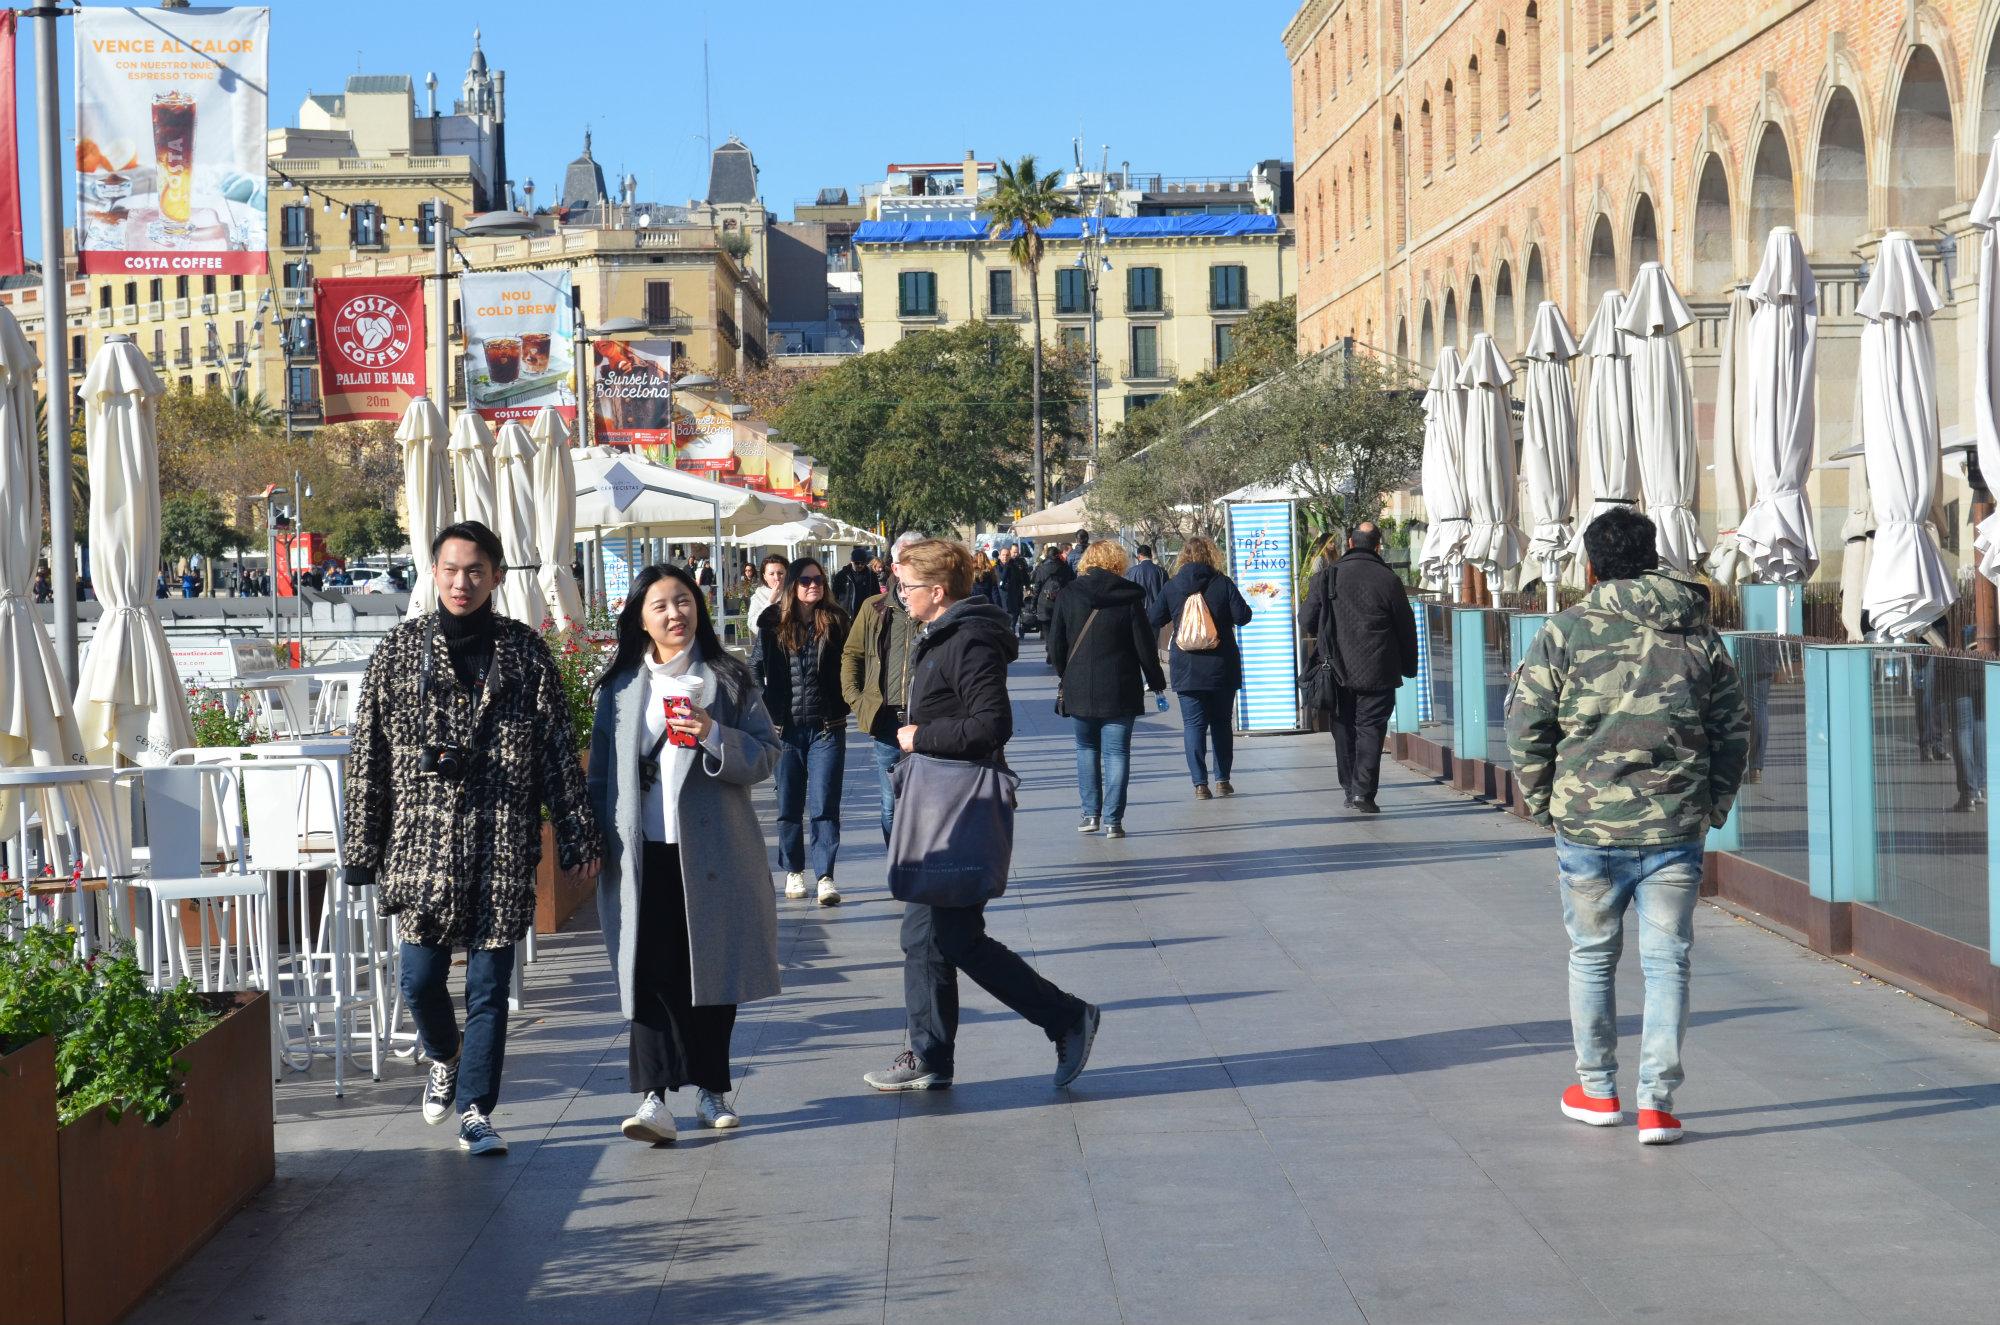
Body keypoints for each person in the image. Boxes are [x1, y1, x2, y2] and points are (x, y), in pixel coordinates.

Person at [343, 520, 601, 1157]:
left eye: (476, 571)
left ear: (496, 576)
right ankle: (442, 1053)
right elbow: (367, 755)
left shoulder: (524, 655)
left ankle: (477, 1111)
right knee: (419, 979)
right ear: (433, 573)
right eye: (452, 570)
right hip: (421, 847)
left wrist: (575, 835)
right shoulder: (399, 653)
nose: (463, 583)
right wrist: (360, 845)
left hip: (502, 843)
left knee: (490, 988)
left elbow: (559, 756)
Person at [1507, 507, 1750, 1147]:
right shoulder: (1697, 634)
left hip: (1587, 826)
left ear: (1591, 565)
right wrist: (1713, 806)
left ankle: (1595, 1090)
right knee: (1668, 961)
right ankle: (1657, 1106)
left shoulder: (1563, 631)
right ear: (1652, 558)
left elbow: (1527, 726)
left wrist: (1544, 803)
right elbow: (1734, 729)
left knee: (1592, 957)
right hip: (1675, 826)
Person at [862, 539, 1101, 1093]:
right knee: (924, 937)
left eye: (908, 587)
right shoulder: (944, 634)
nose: (901, 595)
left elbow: (991, 724)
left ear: (937, 592)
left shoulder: (967, 640)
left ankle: (1065, 1016)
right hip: (939, 802)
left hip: (957, 806)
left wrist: (920, 735)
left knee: (956, 937)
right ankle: (930, 1055)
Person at [589, 563, 783, 1143]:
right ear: (641, 619)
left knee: (711, 970)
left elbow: (769, 754)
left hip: (713, 851)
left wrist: (712, 734)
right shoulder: (621, 686)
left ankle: (711, 1087)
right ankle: (651, 1099)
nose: (675, 614)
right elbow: (602, 775)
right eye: (660, 606)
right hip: (640, 854)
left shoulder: (728, 678)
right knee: (648, 971)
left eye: (684, 601)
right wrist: (595, 839)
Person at [1046, 541, 1167, 838]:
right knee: (1117, 753)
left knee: (1086, 749)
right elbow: (1144, 645)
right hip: (1120, 686)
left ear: (1086, 561)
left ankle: (1090, 815)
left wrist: (1066, 674)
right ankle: (1114, 820)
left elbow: (1055, 644)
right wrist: (1157, 681)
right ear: (1118, 563)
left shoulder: (1069, 594)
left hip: (1079, 686)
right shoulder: (1128, 597)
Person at [1299, 522, 1419, 814]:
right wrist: (1409, 666)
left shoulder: (1328, 577)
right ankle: (1363, 793)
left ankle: (1349, 788)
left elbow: (1306, 620)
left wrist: (1331, 630)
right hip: (1378, 669)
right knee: (1371, 730)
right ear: (1378, 546)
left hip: (1335, 669)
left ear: (1350, 544)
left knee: (1342, 728)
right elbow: (1406, 627)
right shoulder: (1389, 580)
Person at [752, 557, 849, 906]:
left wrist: (851, 699)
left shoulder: (837, 622)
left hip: (827, 727)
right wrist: (763, 709)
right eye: (806, 580)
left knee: (824, 804)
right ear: (793, 584)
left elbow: (853, 664)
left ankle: (825, 877)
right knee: (788, 804)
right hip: (785, 730)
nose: (814, 585)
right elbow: (755, 667)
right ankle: (794, 870)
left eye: (819, 580)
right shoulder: (772, 623)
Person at [1148, 535, 1253, 800]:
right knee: (1221, 724)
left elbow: (1154, 617)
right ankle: (1223, 780)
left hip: (1186, 667)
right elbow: (1243, 617)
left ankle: (1199, 784)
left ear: (1183, 556)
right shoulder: (1223, 583)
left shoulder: (1173, 587)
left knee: (1193, 726)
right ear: (1211, 555)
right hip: (1221, 666)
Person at [842, 531, 926, 843]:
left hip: (927, 717)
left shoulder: (935, 606)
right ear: (894, 569)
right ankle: (897, 863)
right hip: (887, 715)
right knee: (891, 800)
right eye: (910, 560)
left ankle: (921, 860)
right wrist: (855, 697)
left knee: (926, 797)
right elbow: (852, 653)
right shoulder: (874, 608)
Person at [1027, 543, 1073, 637]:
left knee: (1047, 630)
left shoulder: (1041, 568)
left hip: (1044, 602)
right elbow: (1071, 584)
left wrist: (1033, 603)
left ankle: (1049, 647)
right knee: (1059, 631)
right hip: (1061, 602)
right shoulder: (1065, 568)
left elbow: (1037, 588)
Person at [745, 553, 787, 640]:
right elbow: (754, 627)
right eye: (771, 574)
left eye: (780, 573)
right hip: (771, 646)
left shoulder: (796, 592)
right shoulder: (758, 596)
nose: (777, 577)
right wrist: (771, 601)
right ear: (765, 577)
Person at [833, 547, 880, 616]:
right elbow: (834, 596)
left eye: (863, 563)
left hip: (865, 613)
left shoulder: (871, 575)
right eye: (857, 563)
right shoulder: (841, 575)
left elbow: (876, 594)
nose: (860, 565)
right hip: (846, 614)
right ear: (851, 561)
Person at [1124, 543, 1166, 618]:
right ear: (1151, 555)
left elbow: (1127, 592)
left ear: (1139, 556)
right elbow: (1166, 592)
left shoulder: (1132, 571)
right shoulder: (1161, 571)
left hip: (1137, 613)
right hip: (1156, 612)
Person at [998, 545, 1030, 635]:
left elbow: (1023, 578)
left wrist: (1026, 586)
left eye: (1007, 555)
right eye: (1003, 555)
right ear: (1000, 556)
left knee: (1014, 615)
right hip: (1002, 598)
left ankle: (1011, 630)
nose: (1005, 557)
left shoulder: (1015, 567)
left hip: (1015, 595)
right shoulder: (996, 567)